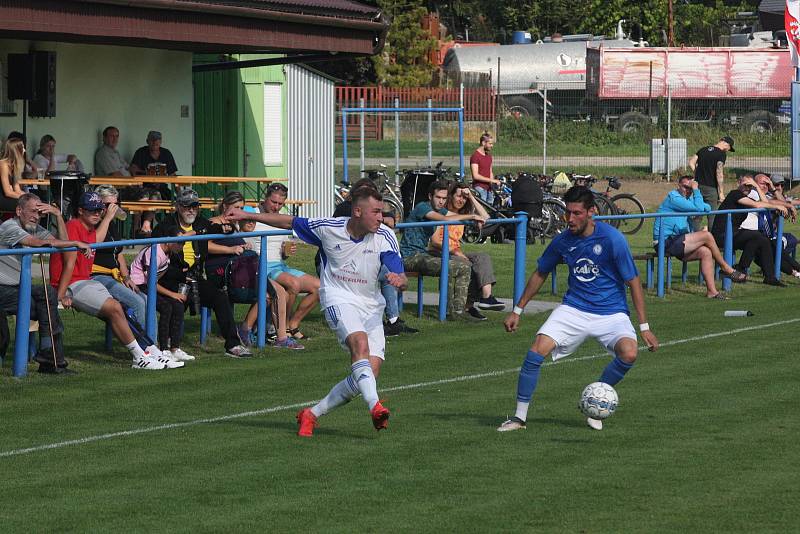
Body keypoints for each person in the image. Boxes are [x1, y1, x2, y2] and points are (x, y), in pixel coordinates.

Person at [227, 186, 407, 437]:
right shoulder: (329, 228)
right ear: (357, 211)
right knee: (360, 346)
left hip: (371, 305)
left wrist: (399, 278)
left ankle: (311, 414)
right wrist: (251, 216)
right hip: (338, 298)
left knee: (368, 374)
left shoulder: (384, 235)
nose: (381, 217)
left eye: (382, 212)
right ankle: (375, 407)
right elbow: (289, 221)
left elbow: (397, 269)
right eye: (376, 212)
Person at [498, 186, 659, 433]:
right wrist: (517, 310)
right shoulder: (563, 241)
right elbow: (541, 273)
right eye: (567, 213)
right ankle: (519, 418)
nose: (570, 219)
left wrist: (644, 327)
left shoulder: (612, 239)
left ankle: (596, 397)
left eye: (576, 213)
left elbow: (633, 281)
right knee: (535, 352)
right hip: (574, 309)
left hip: (611, 311)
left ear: (591, 212)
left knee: (629, 354)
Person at [49, 191, 182, 370]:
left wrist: (108, 217)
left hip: (84, 281)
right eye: (92, 210)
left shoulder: (88, 228)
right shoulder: (73, 225)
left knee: (123, 309)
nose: (97, 213)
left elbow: (98, 240)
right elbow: (69, 263)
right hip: (72, 283)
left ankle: (149, 349)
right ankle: (140, 356)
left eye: (99, 210)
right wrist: (61, 293)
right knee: (116, 307)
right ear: (80, 211)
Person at [151, 188, 252, 358]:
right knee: (176, 303)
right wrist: (201, 232)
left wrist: (227, 228)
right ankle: (167, 346)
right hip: (169, 277)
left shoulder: (201, 223)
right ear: (177, 206)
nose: (191, 210)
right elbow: (163, 251)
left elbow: (219, 229)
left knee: (220, 297)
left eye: (195, 206)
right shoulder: (165, 226)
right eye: (187, 206)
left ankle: (233, 345)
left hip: (194, 277)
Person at [0, 194, 92, 374]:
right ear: (19, 211)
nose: (37, 216)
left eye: (40, 213)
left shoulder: (32, 227)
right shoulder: (9, 226)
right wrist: (75, 241)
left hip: (17, 287)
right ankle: (50, 360)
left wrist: (58, 216)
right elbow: (35, 242)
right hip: (2, 288)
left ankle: (47, 355)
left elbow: (61, 244)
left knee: (48, 294)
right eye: (33, 211)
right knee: (48, 311)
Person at [206, 191, 303, 350]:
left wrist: (243, 246)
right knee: (274, 292)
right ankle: (265, 334)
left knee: (280, 292)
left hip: (242, 271)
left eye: (241, 207)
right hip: (224, 274)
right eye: (236, 207)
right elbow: (206, 245)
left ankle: (266, 333)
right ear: (225, 206)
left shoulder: (235, 225)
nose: (239, 211)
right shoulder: (213, 223)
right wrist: (230, 249)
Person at [329, 178, 417, 336]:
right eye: (364, 192)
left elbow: (385, 218)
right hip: (339, 263)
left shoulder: (381, 230)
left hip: (366, 260)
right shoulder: (344, 210)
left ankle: (392, 320)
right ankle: (383, 319)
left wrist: (389, 216)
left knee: (388, 272)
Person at [400, 179, 484, 319]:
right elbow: (444, 220)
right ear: (430, 196)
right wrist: (473, 216)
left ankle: (455, 311)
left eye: (444, 198)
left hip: (423, 255)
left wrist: (472, 199)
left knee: (460, 266)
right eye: (438, 197)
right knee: (456, 267)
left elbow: (485, 217)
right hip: (410, 256)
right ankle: (455, 312)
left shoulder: (442, 210)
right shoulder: (422, 207)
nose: (441, 201)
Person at [653, 175, 747, 298]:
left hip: (678, 241)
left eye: (690, 188)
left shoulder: (689, 199)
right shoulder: (673, 198)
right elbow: (699, 208)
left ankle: (712, 292)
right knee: (706, 235)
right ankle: (725, 267)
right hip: (664, 242)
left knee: (706, 252)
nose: (688, 190)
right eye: (686, 187)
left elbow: (706, 208)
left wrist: (696, 199)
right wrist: (696, 190)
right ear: (678, 186)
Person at [428, 182, 505, 319]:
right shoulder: (442, 212)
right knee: (468, 265)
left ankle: (486, 298)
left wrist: (471, 196)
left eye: (464, 198)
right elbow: (435, 241)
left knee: (482, 258)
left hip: (455, 251)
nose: (461, 200)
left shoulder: (464, 214)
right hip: (439, 251)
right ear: (450, 196)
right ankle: (466, 307)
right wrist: (456, 252)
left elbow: (486, 218)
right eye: (459, 196)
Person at [254, 183, 320, 340]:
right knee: (294, 284)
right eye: (273, 202)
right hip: (261, 266)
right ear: (265, 198)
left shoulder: (283, 218)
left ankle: (292, 324)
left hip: (280, 266)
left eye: (280, 204)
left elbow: (283, 254)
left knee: (320, 287)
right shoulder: (253, 214)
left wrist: (286, 253)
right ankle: (278, 327)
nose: (276, 207)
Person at [89, 185, 148, 332]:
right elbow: (95, 242)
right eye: (109, 205)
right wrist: (107, 218)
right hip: (97, 276)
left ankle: (152, 345)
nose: (113, 209)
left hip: (114, 276)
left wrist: (127, 277)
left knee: (146, 300)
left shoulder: (112, 224)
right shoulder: (93, 223)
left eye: (116, 205)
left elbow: (119, 253)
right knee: (137, 303)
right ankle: (146, 348)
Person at [129, 229, 194, 361]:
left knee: (178, 306)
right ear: (169, 240)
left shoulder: (169, 251)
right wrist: (173, 294)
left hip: (149, 284)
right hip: (139, 285)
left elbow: (194, 233)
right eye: (179, 243)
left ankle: (175, 348)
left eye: (183, 243)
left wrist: (181, 236)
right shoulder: (155, 253)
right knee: (166, 307)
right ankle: (163, 349)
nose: (181, 246)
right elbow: (151, 282)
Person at [711, 176, 788, 287]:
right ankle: (739, 269)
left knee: (762, 240)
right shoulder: (735, 194)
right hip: (722, 235)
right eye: (745, 185)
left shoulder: (746, 197)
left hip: (733, 233)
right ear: (738, 183)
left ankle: (769, 277)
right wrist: (778, 206)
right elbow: (757, 205)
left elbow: (764, 202)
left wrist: (756, 186)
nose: (747, 188)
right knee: (757, 237)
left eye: (750, 186)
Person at [688, 136, 735, 229]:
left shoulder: (703, 150)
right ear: (727, 144)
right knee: (712, 216)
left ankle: (694, 238)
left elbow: (691, 163)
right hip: (711, 188)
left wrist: (697, 174)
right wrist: (721, 193)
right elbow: (719, 172)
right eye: (729, 148)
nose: (727, 151)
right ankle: (712, 239)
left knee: (697, 214)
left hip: (698, 187)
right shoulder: (721, 154)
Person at [129, 130, 177, 199]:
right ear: (147, 141)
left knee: (175, 202)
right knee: (154, 198)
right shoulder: (141, 152)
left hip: (162, 188)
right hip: (144, 188)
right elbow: (132, 169)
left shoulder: (166, 153)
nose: (154, 142)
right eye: (152, 139)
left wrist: (180, 194)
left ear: (160, 142)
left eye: (157, 140)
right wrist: (147, 173)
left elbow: (172, 174)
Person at [470, 132, 501, 205]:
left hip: (489, 189)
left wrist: (492, 184)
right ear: (483, 143)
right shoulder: (475, 156)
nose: (492, 146)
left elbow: (490, 172)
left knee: (490, 212)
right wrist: (492, 180)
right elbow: (475, 176)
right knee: (481, 211)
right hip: (480, 189)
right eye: (490, 143)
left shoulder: (489, 156)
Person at [0, 137, 26, 213]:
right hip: (2, 198)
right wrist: (26, 199)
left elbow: (17, 189)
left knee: (37, 204)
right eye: (23, 148)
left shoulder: (14, 165)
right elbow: (7, 192)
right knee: (29, 206)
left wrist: (31, 198)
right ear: (17, 151)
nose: (24, 150)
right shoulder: (3, 164)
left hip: (8, 197)